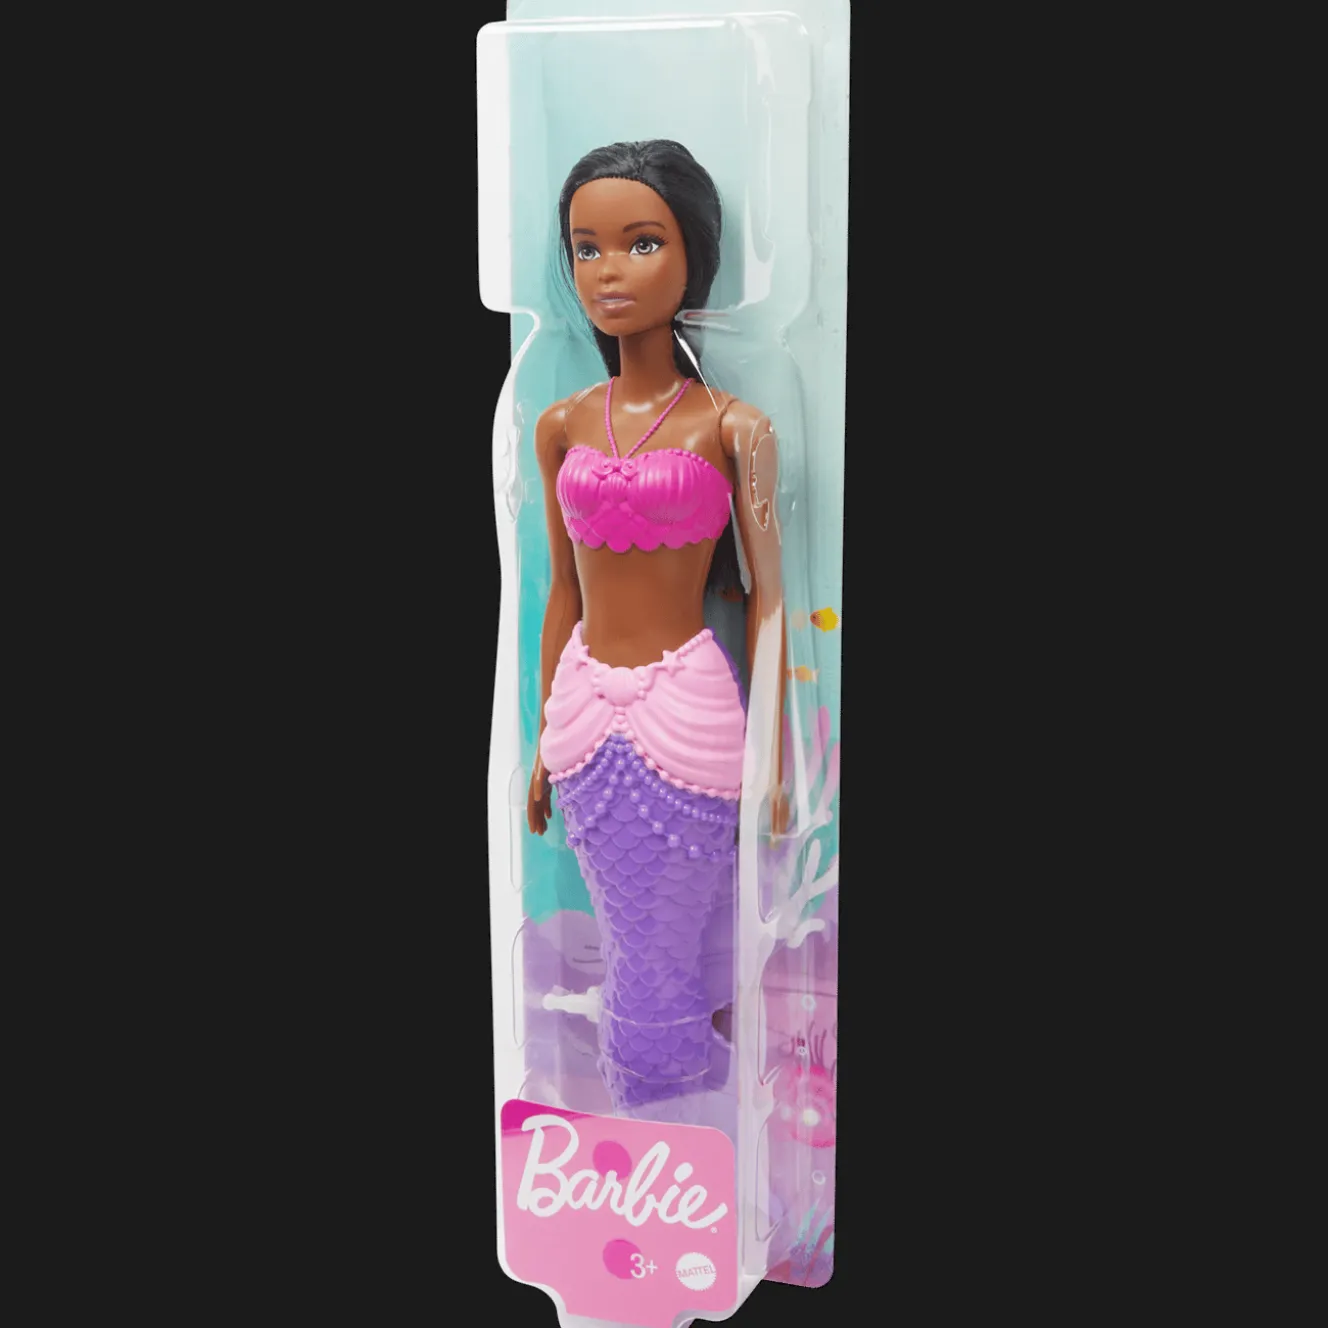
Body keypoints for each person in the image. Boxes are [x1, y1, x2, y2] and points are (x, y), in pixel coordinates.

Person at [526, 140, 787, 1121]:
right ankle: (650, 1112)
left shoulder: (733, 427)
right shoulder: (559, 424)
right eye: (586, 248)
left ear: (693, 256)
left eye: (642, 243)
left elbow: (767, 596)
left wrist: (776, 754)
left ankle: (681, 1092)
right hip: (584, 713)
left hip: (689, 707)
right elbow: (561, 590)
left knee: (674, 928)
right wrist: (540, 740)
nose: (609, 271)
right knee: (621, 928)